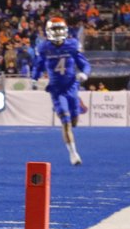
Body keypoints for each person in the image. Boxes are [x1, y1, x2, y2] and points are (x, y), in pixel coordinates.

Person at [31, 17, 91, 165]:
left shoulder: (72, 45)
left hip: (72, 87)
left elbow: (84, 64)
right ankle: (73, 154)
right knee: (65, 121)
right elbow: (38, 66)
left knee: (74, 120)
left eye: (59, 29)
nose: (57, 33)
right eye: (54, 30)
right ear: (48, 32)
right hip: (56, 89)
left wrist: (84, 73)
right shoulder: (44, 47)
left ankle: (72, 119)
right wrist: (34, 79)